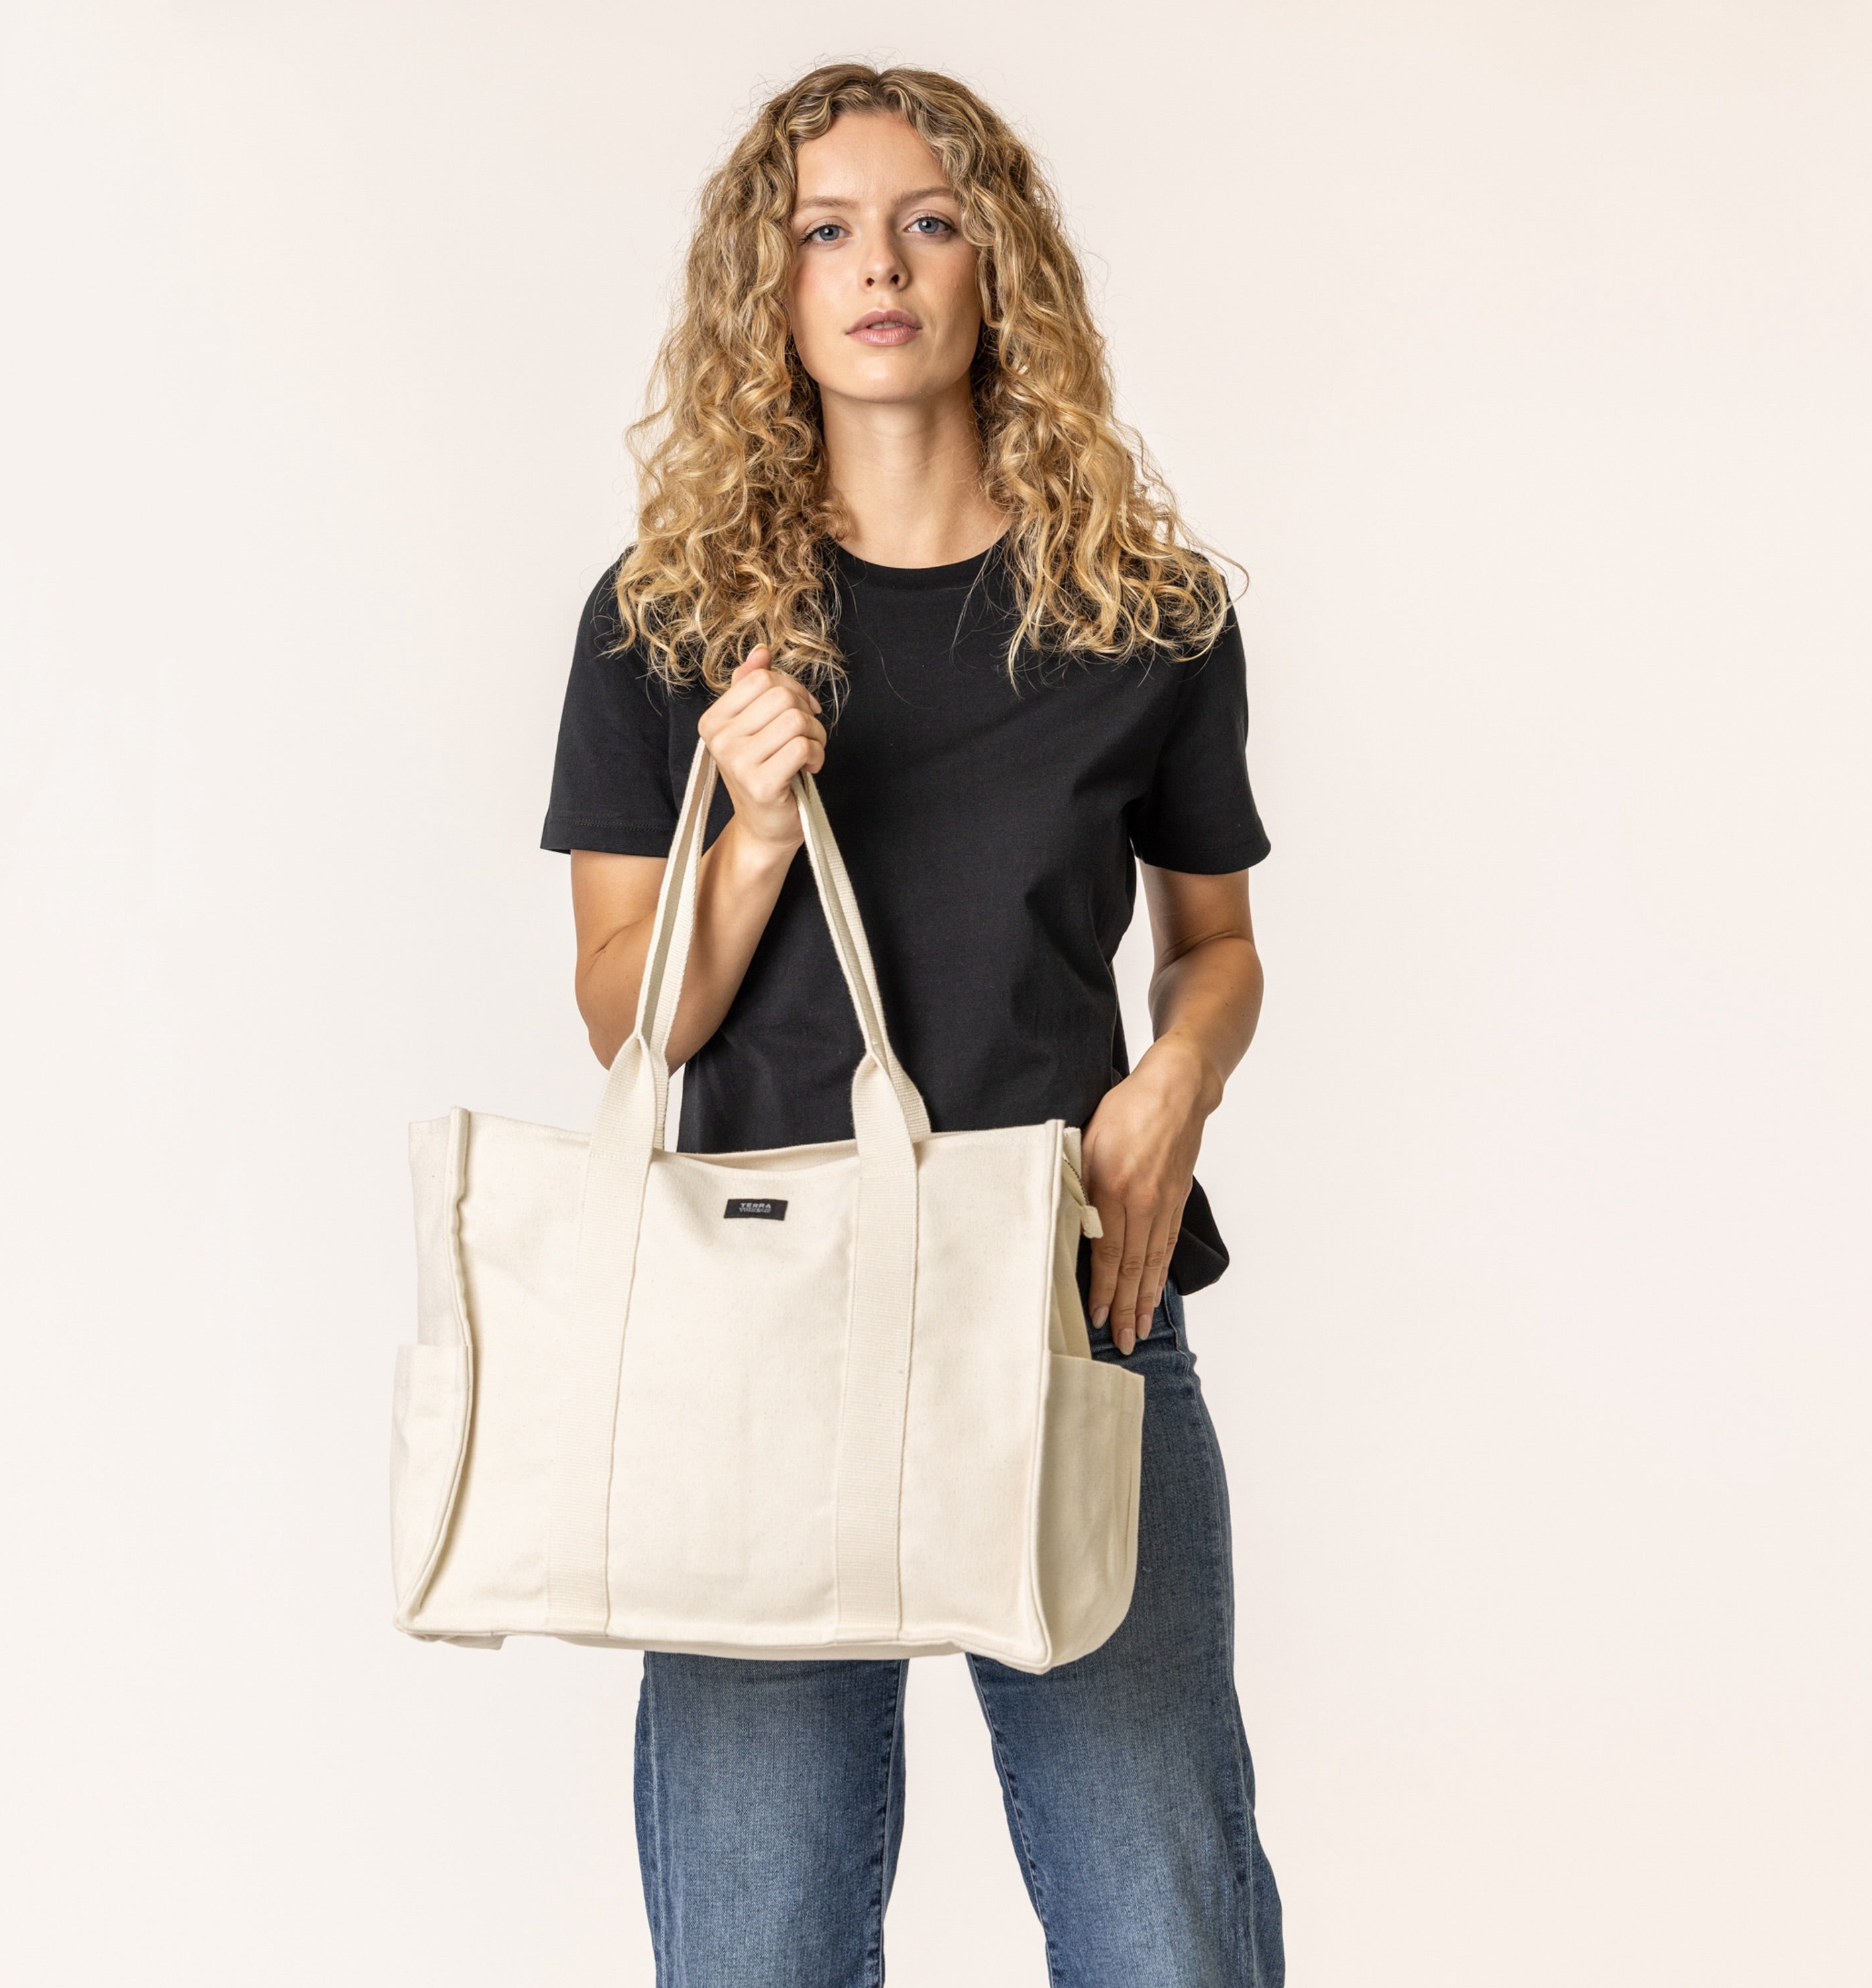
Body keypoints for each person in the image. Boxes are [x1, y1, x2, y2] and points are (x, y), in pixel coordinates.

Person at [541, 61, 1284, 1988]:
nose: (881, 268)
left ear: (998, 268)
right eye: (827, 230)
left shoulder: (1147, 616)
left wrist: (1172, 1089)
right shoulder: (667, 622)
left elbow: (1217, 947)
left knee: (1166, 1928)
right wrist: (756, 834)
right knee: (757, 1944)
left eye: (931, 221)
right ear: (768, 291)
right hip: (759, 1314)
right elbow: (634, 1016)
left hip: (1070, 1299)